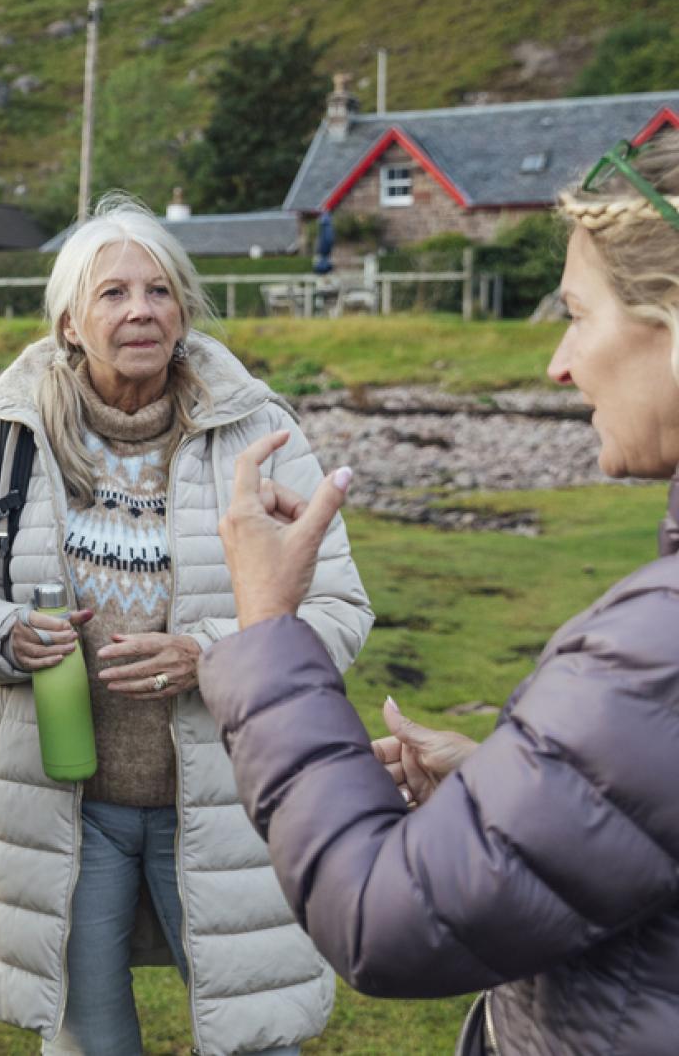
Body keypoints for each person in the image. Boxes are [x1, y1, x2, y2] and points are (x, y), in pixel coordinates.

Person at [202, 133, 679, 1056]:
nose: (559, 364)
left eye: (578, 315)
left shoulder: (656, 649)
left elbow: (384, 920)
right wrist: (507, 794)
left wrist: (264, 625)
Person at [0, 193, 373, 1056]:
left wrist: (208, 658)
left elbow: (337, 613)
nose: (141, 310)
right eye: (114, 294)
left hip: (229, 797)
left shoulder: (261, 432)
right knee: (89, 1040)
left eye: (160, 291)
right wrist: (8, 637)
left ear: (186, 310)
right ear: (68, 323)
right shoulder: (12, 440)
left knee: (254, 1038)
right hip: (64, 804)